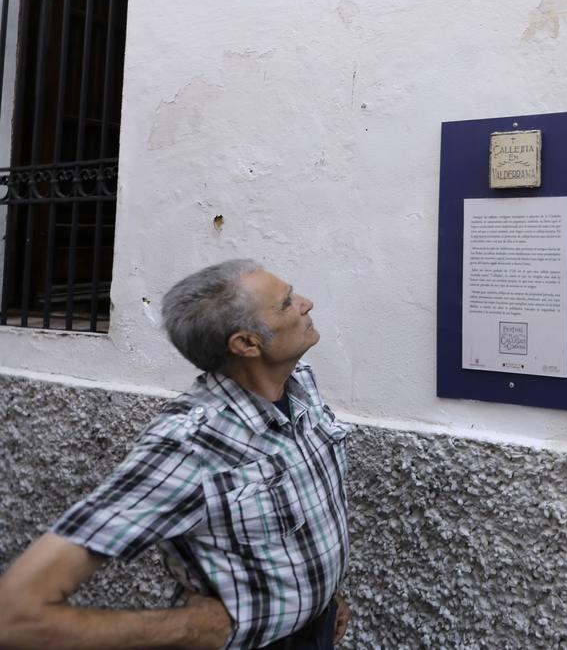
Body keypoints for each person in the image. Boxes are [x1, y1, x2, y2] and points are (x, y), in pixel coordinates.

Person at [0, 260, 352, 649]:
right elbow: (16, 616)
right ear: (247, 344)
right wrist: (188, 628)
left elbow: (300, 517)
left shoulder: (299, 382)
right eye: (287, 303)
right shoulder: (190, 445)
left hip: (318, 630)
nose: (307, 303)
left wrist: (325, 597)